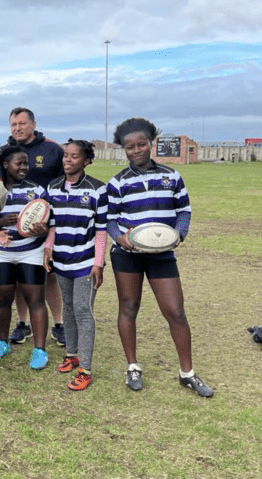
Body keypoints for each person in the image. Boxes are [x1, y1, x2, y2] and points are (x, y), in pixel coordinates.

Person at [107, 117, 213, 397]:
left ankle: (187, 373)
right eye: (130, 147)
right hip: (127, 255)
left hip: (162, 254)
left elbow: (184, 210)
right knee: (128, 308)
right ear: (124, 149)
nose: (137, 150)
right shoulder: (117, 182)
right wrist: (120, 238)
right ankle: (133, 366)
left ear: (150, 144)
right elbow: (110, 219)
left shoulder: (171, 175)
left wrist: (179, 234)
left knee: (176, 311)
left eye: (142, 144)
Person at [44, 140, 108, 391]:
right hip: (62, 260)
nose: (67, 160)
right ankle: (72, 355)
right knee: (68, 308)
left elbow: (101, 229)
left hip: (86, 263)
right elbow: (52, 223)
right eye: (65, 156)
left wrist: (99, 263)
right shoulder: (53, 187)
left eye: (74, 156)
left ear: (87, 161)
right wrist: (48, 248)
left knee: (83, 310)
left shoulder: (97, 190)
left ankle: (86, 369)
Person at [0, 146, 51, 369]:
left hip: (30, 251)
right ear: (5, 164)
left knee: (36, 300)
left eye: (26, 164)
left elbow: (49, 223)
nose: (23, 168)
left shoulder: (37, 190)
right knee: (2, 299)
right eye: (18, 163)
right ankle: (2, 342)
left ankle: (40, 350)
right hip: (0, 251)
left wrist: (41, 230)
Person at [5, 107, 66, 348]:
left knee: (50, 275)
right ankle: (22, 323)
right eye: (13, 124)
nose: (17, 128)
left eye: (21, 123)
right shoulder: (5, 151)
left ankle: (59, 324)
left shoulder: (51, 149)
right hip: (18, 228)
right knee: (20, 278)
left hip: (47, 225)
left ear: (33, 124)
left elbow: (66, 179)